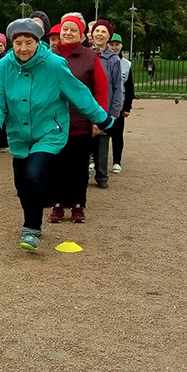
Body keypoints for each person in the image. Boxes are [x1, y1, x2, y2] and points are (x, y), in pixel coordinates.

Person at [0, 18, 114, 252]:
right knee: (21, 185)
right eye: (19, 43)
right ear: (12, 43)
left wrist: (102, 118)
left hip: (49, 131)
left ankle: (31, 229)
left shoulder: (54, 64)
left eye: (29, 43)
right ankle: (31, 218)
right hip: (19, 134)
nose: (23, 48)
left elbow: (79, 93)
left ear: (37, 42)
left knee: (34, 176)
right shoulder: (5, 65)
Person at [49, 15, 109, 224]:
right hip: (54, 123)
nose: (68, 33)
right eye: (65, 29)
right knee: (56, 165)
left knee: (78, 167)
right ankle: (57, 203)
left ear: (82, 34)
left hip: (81, 123)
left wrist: (97, 119)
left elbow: (100, 90)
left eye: (73, 30)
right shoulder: (49, 55)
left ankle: (77, 204)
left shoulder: (90, 57)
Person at [89, 19, 123, 189]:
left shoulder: (113, 59)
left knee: (102, 143)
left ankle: (102, 176)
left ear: (108, 36)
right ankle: (81, 174)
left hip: (105, 107)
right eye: (97, 31)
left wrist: (114, 111)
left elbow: (118, 87)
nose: (100, 34)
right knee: (83, 142)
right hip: (86, 105)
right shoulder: (86, 54)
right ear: (92, 34)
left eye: (104, 32)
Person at [107, 33, 135, 174]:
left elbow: (129, 87)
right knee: (99, 134)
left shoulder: (126, 64)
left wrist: (127, 107)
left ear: (121, 46)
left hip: (119, 104)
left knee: (117, 135)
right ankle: (95, 160)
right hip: (104, 103)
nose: (114, 47)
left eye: (117, 45)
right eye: (111, 44)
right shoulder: (102, 60)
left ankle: (117, 161)